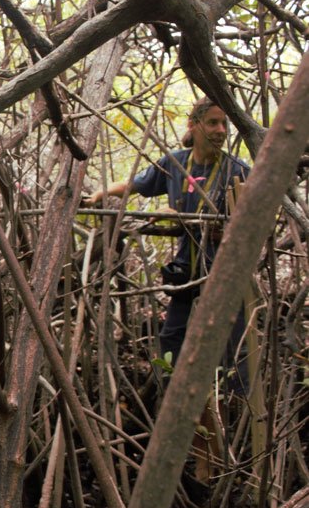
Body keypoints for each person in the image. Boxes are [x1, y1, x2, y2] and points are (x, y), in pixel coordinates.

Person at [84, 97, 251, 481]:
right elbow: (138, 183)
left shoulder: (236, 171)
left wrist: (201, 221)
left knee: (231, 359)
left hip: (224, 276)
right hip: (184, 274)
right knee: (172, 345)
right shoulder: (176, 163)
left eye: (224, 123)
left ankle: (228, 447)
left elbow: (251, 222)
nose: (221, 131)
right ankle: (184, 430)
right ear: (193, 126)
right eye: (212, 122)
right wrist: (101, 195)